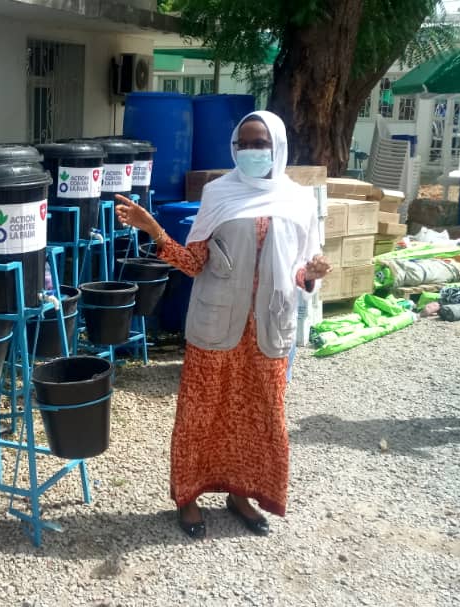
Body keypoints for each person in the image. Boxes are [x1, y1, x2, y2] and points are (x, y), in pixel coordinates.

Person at [115, 111, 330, 538]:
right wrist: (154, 229)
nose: (252, 151)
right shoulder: (218, 193)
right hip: (216, 327)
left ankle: (241, 494)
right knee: (200, 413)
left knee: (260, 416)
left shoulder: (299, 200)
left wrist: (315, 272)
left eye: (260, 143)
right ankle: (189, 497)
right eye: (245, 144)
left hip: (268, 328)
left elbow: (302, 270)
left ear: (279, 147)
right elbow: (194, 263)